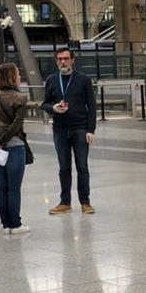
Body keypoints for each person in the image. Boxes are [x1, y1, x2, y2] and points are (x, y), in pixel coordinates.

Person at [42, 47, 96, 215]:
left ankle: (85, 202)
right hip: (60, 130)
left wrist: (90, 129)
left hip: (80, 129)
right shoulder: (51, 80)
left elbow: (92, 106)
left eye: (65, 58)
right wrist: (53, 108)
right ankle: (65, 202)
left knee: (82, 166)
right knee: (64, 167)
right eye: (59, 59)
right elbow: (44, 104)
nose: (62, 62)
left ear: (72, 60)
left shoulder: (83, 80)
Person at [0, 63, 31, 235]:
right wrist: (2, 140)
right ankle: (16, 225)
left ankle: (6, 224)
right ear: (13, 77)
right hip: (15, 147)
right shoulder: (20, 98)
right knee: (14, 187)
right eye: (18, 74)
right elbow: (16, 125)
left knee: (2, 186)